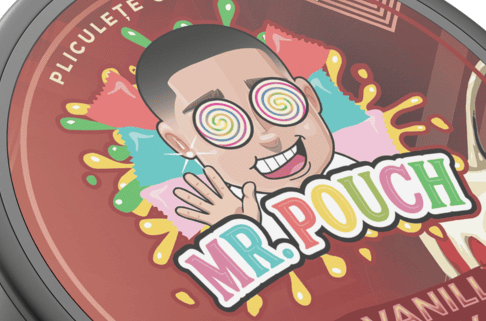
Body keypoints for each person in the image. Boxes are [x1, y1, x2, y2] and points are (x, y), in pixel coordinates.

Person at [135, 24, 356, 233]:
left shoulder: (359, 175)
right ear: (180, 143)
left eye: (275, 101)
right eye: (221, 122)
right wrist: (241, 231)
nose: (268, 138)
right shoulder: (235, 219)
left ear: (309, 98)